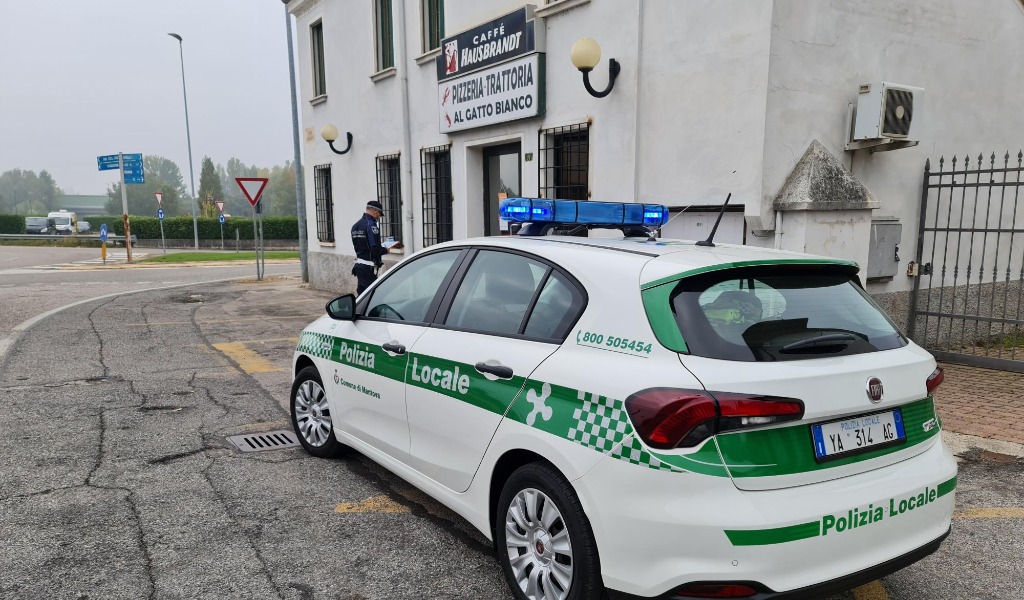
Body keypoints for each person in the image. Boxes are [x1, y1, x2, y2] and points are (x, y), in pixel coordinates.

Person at [351, 200, 392, 294]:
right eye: (379, 214)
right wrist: (386, 250)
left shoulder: (355, 226)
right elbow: (374, 249)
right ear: (375, 211)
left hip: (359, 266)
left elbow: (359, 246)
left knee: (362, 295)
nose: (379, 217)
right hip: (368, 267)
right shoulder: (371, 225)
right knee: (374, 295)